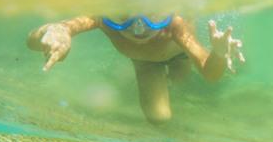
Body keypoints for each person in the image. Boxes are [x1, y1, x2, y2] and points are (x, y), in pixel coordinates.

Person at [26, 14, 244, 124]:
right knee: (159, 118)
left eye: (150, 19)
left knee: (181, 80)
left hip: (179, 55)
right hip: (145, 64)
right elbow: (33, 41)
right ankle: (148, 80)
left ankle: (178, 75)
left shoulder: (176, 26)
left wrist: (218, 54)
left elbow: (210, 73)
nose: (138, 28)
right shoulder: (101, 18)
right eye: (123, 19)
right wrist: (57, 31)